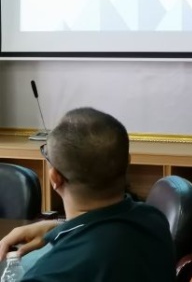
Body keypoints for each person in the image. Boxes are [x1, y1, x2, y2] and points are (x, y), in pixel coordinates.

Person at [0, 107, 176, 281]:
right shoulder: (154, 220)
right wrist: (59, 228)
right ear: (127, 162)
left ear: (55, 178)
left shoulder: (49, 274)